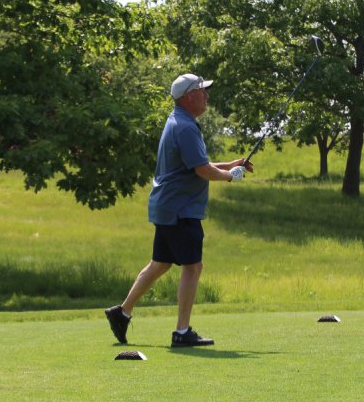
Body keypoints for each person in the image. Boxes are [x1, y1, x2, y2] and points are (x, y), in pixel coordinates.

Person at [105, 73, 253, 348]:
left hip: (168, 206)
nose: (206, 95)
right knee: (192, 266)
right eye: (202, 91)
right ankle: (182, 332)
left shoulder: (179, 121)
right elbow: (201, 170)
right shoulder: (185, 127)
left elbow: (197, 163)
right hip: (180, 209)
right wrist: (230, 176)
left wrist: (230, 165)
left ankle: (122, 313)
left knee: (160, 263)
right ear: (188, 97)